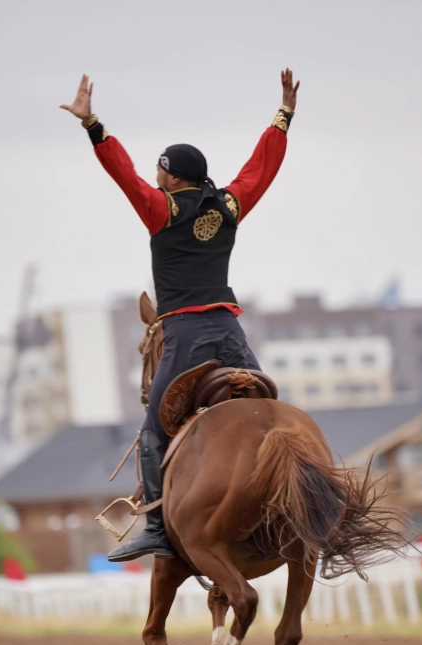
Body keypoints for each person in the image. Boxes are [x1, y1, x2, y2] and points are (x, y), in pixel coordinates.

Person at [61, 70, 300, 561]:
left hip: (185, 333)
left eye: (160, 170)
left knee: (154, 427)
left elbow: (121, 173)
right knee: (270, 412)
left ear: (171, 176)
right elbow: (261, 169)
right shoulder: (229, 204)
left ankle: (154, 524)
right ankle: (295, 500)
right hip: (231, 331)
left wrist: (93, 125)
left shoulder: (159, 209)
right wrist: (284, 115)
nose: (154, 175)